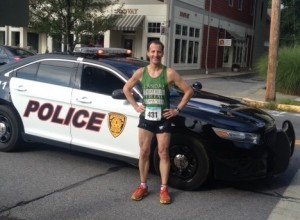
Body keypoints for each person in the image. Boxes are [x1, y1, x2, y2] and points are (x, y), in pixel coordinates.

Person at [123, 40, 193, 204]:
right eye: (152, 51)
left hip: (163, 119)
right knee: (145, 152)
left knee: (163, 153)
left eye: (158, 52)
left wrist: (177, 109)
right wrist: (135, 106)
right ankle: (143, 185)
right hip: (146, 118)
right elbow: (126, 88)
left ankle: (163, 188)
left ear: (162, 53)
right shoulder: (141, 72)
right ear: (148, 53)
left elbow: (188, 91)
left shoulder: (169, 73)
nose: (155, 55)